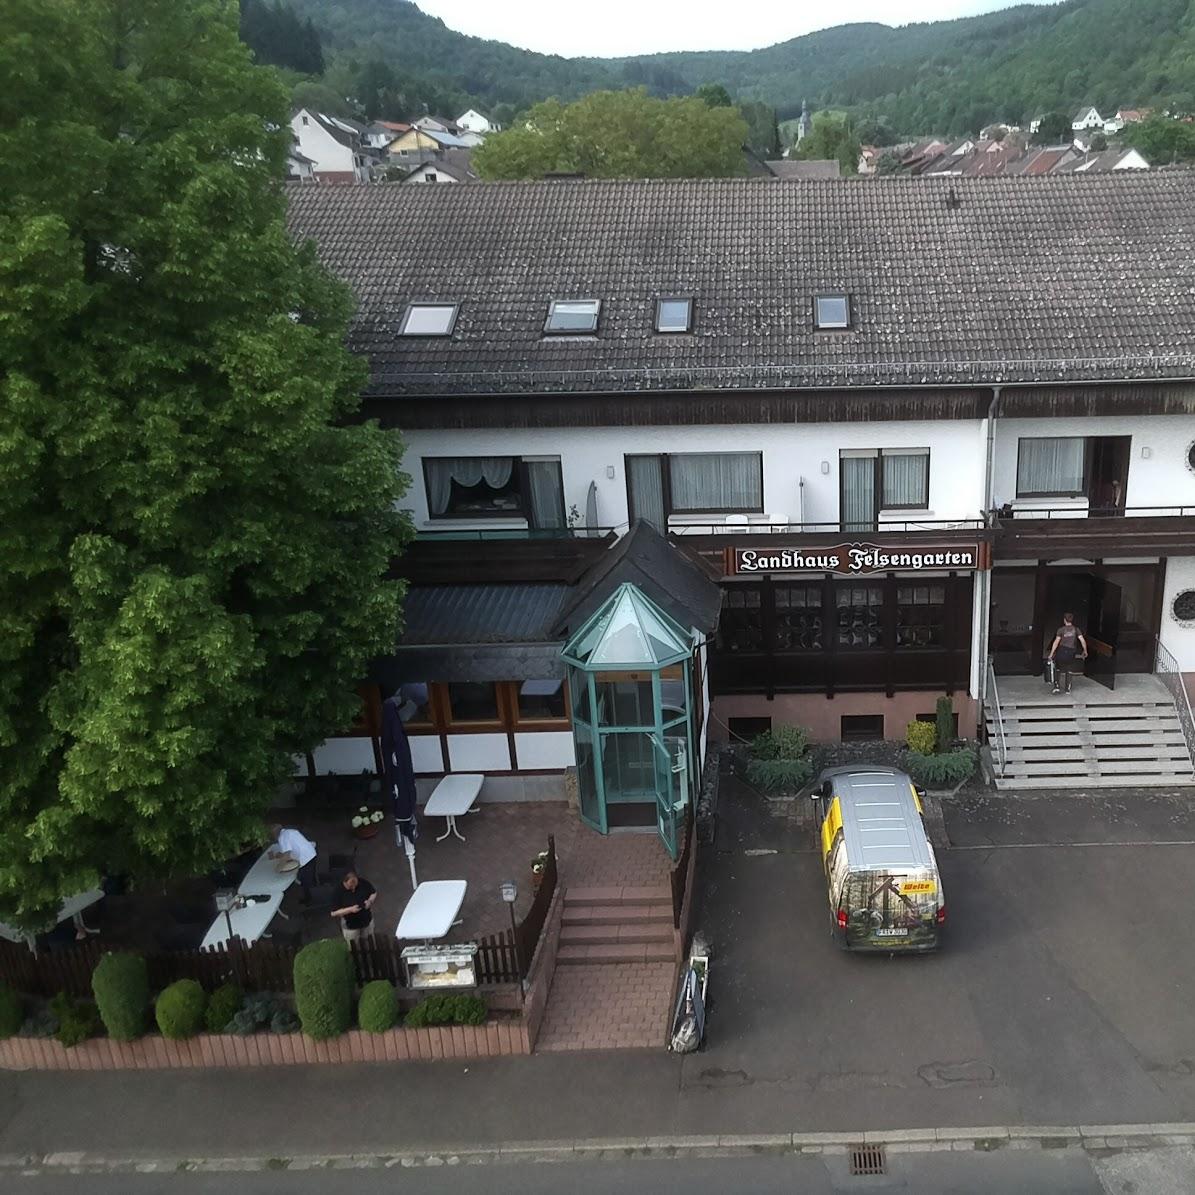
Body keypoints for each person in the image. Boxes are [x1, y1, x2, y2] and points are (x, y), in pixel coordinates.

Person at [268, 824, 317, 905]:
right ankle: (315, 890)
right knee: (310, 877)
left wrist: (278, 869)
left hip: (306, 859)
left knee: (305, 881)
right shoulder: (289, 831)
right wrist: (280, 855)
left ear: (275, 834)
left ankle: (310, 900)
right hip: (311, 853)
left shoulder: (282, 837)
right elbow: (292, 849)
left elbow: (287, 855)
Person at [1047, 612, 1088, 695]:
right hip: (1071, 651)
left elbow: (1056, 642)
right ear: (1071, 620)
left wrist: (1051, 654)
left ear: (1064, 620)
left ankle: (1057, 687)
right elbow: (1082, 640)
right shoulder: (1076, 629)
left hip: (1062, 651)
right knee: (1069, 670)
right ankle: (1068, 689)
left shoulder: (1061, 630)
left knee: (1057, 669)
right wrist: (1085, 650)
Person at [330, 870, 377, 942]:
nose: (353, 888)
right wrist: (350, 910)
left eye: (355, 885)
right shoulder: (337, 892)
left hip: (367, 922)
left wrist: (369, 902)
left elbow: (373, 893)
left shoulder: (363, 882)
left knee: (369, 942)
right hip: (350, 927)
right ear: (344, 882)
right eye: (350, 886)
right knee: (354, 946)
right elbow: (334, 913)